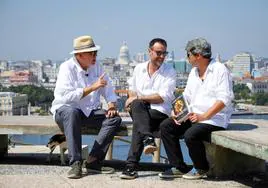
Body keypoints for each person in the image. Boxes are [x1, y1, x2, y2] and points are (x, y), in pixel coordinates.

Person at [158, 38, 234, 180]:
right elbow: (186, 96)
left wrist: (204, 116)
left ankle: (201, 168)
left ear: (198, 55)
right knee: (166, 126)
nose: (187, 58)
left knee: (191, 135)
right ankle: (179, 167)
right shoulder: (194, 72)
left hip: (214, 119)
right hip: (193, 116)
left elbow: (225, 99)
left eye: (188, 55)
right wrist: (177, 111)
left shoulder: (219, 69)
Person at [50, 35, 122, 179]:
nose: (95, 56)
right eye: (91, 53)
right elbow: (65, 98)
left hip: (88, 112)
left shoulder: (97, 67)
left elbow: (108, 89)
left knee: (114, 119)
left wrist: (112, 105)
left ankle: (93, 161)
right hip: (66, 112)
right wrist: (92, 87)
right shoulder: (67, 68)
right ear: (79, 55)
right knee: (72, 112)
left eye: (95, 53)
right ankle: (75, 163)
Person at [119, 38, 177, 179]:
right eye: (158, 53)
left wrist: (138, 97)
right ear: (149, 52)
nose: (162, 56)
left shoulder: (170, 71)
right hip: (140, 111)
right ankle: (147, 140)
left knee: (139, 120)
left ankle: (130, 167)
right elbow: (132, 90)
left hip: (159, 112)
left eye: (164, 53)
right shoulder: (139, 68)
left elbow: (162, 97)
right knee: (139, 107)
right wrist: (135, 97)